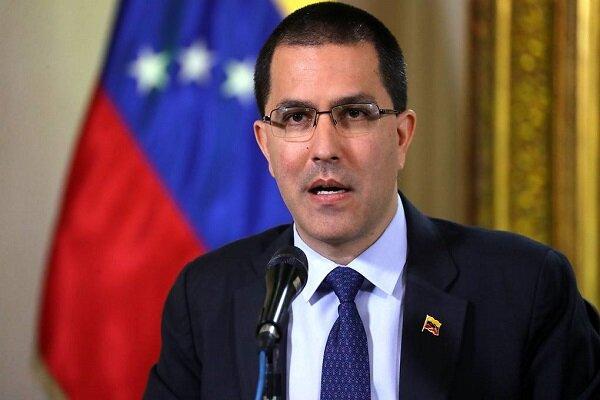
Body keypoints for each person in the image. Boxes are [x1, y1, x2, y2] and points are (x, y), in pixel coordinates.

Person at [144, 2, 599, 399]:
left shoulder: (525, 289)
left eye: (354, 114)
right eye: (296, 117)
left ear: (401, 136)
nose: (325, 148)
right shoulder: (205, 298)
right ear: (266, 145)